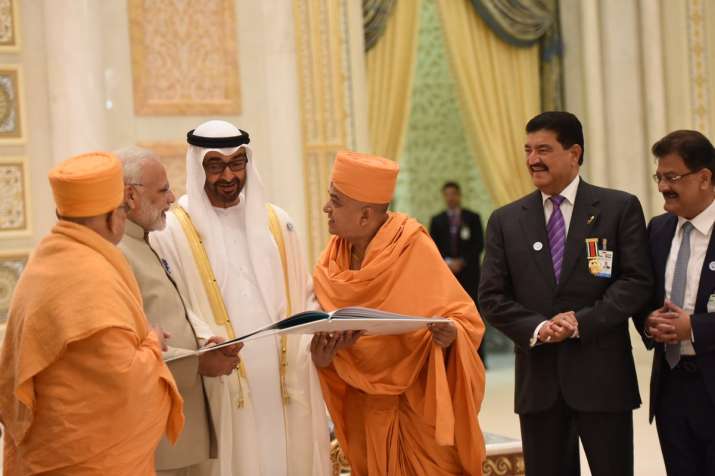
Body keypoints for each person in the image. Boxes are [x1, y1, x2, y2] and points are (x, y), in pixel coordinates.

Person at [150, 120, 330, 476]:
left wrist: (321, 325)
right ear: (198, 167)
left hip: (282, 386)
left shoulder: (278, 223)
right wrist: (206, 344)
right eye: (215, 165)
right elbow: (172, 309)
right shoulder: (173, 230)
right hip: (221, 385)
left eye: (237, 163)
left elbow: (302, 294)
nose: (228, 176)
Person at [479, 111, 653, 476]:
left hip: (603, 380)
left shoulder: (618, 208)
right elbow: (492, 297)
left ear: (574, 153)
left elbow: (635, 281)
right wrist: (539, 328)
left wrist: (580, 322)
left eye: (543, 149)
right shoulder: (505, 221)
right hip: (539, 384)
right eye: (527, 150)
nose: (532, 160)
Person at [0, 152, 183, 475]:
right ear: (114, 218)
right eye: (123, 213)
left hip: (46, 452)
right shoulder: (93, 276)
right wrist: (152, 343)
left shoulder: (44, 261)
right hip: (89, 459)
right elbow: (124, 381)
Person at [311, 150, 486, 476]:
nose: (326, 208)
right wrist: (323, 358)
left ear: (365, 215)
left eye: (335, 201)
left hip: (416, 411)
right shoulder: (330, 261)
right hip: (364, 410)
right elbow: (324, 341)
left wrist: (450, 335)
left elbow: (465, 320)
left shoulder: (412, 247)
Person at [116, 147, 243, 476]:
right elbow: (124, 349)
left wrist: (204, 343)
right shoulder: (117, 253)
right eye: (163, 190)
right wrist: (199, 363)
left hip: (185, 428)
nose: (172, 198)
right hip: (157, 436)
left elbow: (170, 316)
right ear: (130, 196)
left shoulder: (146, 242)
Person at [634, 130, 715, 476]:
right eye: (659, 177)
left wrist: (693, 328)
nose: (663, 186)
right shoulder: (659, 229)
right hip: (671, 388)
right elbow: (641, 293)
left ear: (705, 178)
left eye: (672, 177)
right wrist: (648, 322)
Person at [430, 181, 486, 363]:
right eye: (447, 194)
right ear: (443, 196)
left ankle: (478, 356)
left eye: (454, 194)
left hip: (469, 274)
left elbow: (479, 244)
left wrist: (462, 261)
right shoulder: (437, 220)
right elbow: (432, 247)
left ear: (459, 195)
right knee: (450, 314)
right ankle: (453, 358)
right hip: (447, 275)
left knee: (473, 313)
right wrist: (448, 262)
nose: (451, 197)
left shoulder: (472, 217)